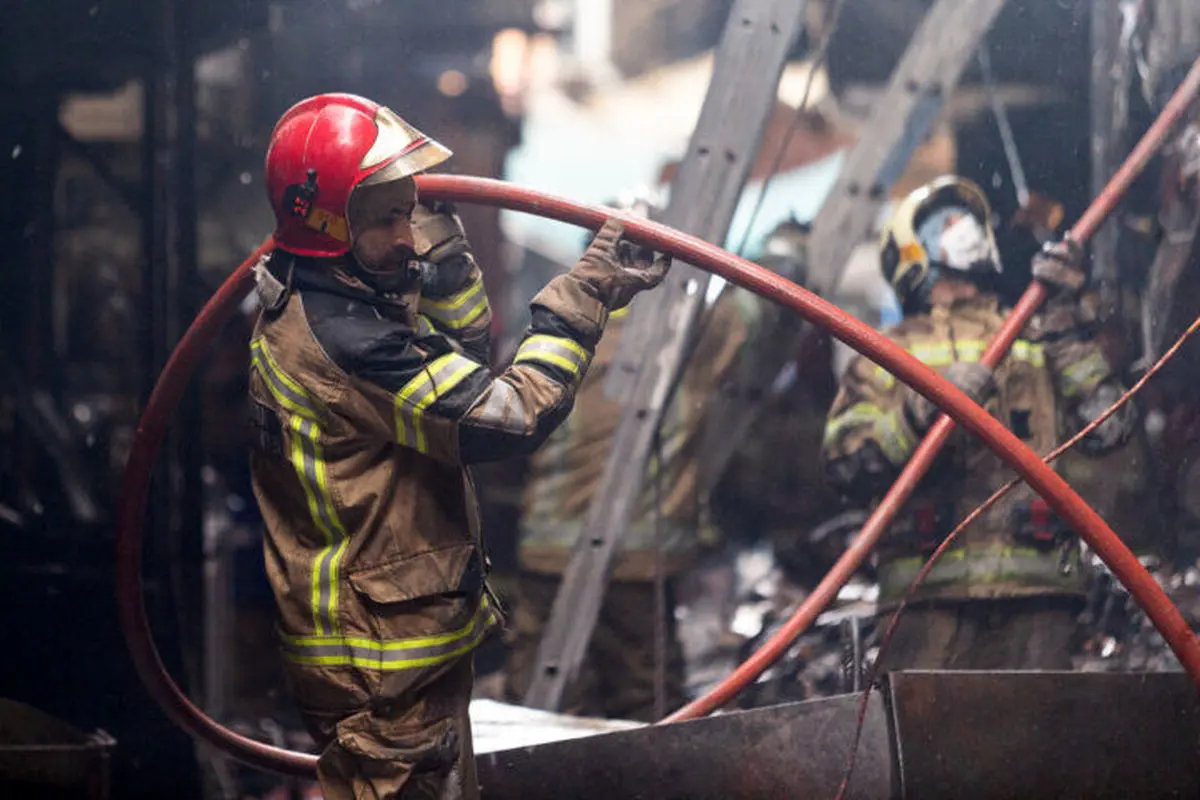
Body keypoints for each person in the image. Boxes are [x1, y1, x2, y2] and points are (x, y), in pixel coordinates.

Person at [250, 93, 669, 799]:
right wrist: (585, 293)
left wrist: (443, 255)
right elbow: (501, 415)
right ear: (329, 224)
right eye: (385, 218)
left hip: (397, 658)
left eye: (405, 210)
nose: (405, 235)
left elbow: (465, 354)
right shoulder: (349, 342)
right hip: (379, 670)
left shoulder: (335, 299)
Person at [820, 175, 1136, 671]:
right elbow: (847, 466)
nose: (963, 230)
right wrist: (919, 410)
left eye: (968, 221)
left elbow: (1110, 429)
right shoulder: (884, 352)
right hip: (928, 603)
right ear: (907, 248)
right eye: (945, 223)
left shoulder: (1036, 330)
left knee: (1034, 745)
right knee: (928, 745)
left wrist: (1064, 323)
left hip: (1041, 596)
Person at [503, 204, 801, 721]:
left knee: (538, 715)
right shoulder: (688, 332)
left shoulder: (558, 326)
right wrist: (788, 249)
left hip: (547, 553)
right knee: (645, 712)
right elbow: (761, 305)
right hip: (638, 561)